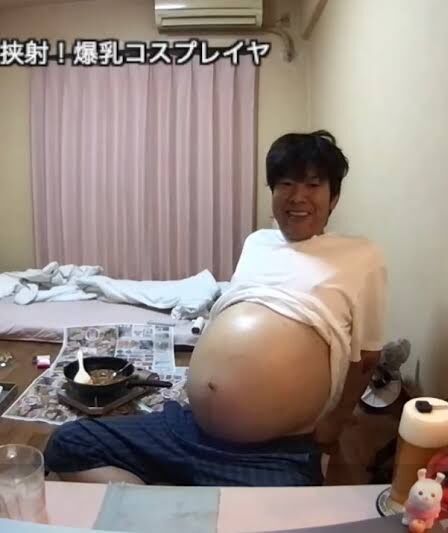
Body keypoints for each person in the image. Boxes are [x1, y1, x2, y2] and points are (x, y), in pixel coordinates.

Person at [44, 130, 388, 486]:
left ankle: (162, 501)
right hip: (187, 430)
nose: (298, 196)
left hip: (272, 451)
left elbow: (366, 357)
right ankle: (178, 502)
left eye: (313, 185)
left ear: (333, 198)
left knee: (284, 512)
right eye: (286, 183)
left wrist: (332, 427)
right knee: (68, 444)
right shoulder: (257, 243)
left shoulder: (359, 255)